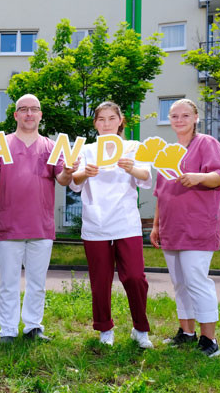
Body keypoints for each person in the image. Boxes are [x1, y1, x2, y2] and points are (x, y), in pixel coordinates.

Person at [0, 94, 78, 344]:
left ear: (41, 115)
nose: (29, 114)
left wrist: (67, 171)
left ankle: (33, 326)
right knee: (8, 283)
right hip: (9, 225)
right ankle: (8, 330)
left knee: (37, 282)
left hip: (41, 226)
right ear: (15, 115)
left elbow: (63, 180)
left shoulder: (52, 146)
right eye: (24, 109)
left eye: (34, 109)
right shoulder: (1, 143)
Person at [69, 102, 153, 348]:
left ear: (120, 121)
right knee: (100, 280)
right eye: (101, 119)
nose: (106, 124)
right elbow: (74, 183)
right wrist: (85, 173)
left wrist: (132, 168)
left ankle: (140, 329)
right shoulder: (86, 150)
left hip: (126, 222)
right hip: (96, 223)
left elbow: (146, 177)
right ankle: (104, 328)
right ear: (95, 123)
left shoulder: (133, 147)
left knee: (135, 277)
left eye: (111, 118)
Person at [150, 98, 220, 357]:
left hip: (198, 225)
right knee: (180, 282)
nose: (179, 120)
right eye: (173, 116)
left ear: (195, 118)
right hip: (171, 226)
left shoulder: (206, 144)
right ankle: (186, 332)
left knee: (196, 280)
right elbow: (160, 192)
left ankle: (209, 341)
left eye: (184, 115)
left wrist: (198, 177)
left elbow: (219, 176)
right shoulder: (167, 153)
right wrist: (156, 224)